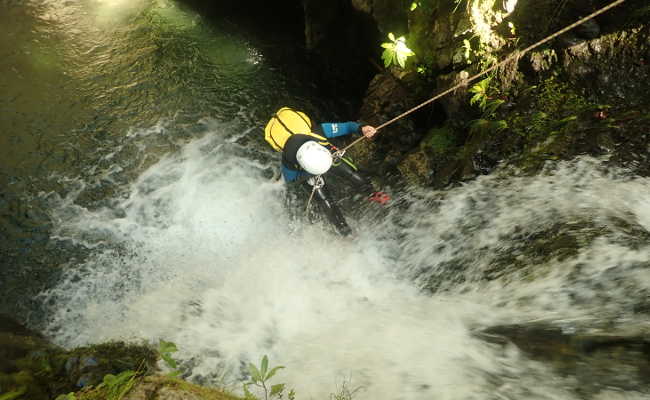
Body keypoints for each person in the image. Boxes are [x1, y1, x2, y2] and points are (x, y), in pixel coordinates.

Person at [264, 107, 390, 236]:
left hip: (325, 155)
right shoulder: (289, 160)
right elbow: (291, 180)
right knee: (324, 200)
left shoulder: (319, 132)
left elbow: (347, 127)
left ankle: (371, 192)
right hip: (307, 170)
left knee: (349, 172)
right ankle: (344, 231)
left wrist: (362, 128)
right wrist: (309, 173)